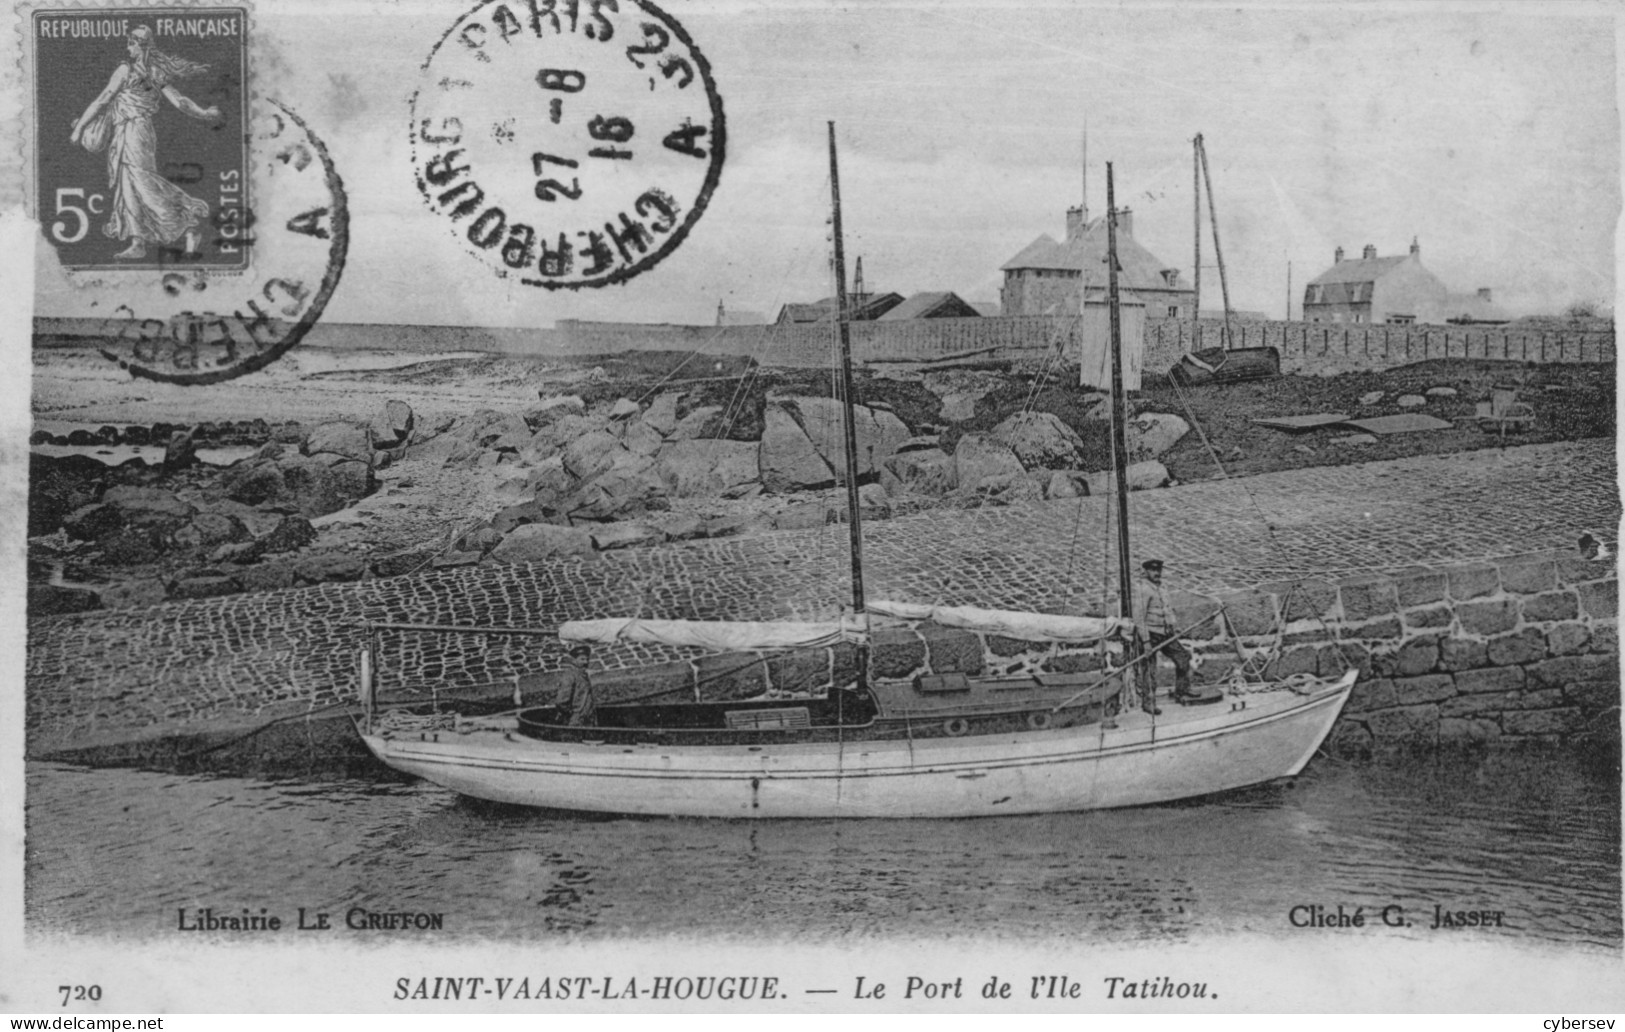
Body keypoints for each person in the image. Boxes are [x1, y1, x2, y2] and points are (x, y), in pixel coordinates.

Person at [69, 25, 220, 260]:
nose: (127, 47)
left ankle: (186, 216)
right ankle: (138, 241)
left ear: (139, 45)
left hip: (132, 131)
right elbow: (180, 101)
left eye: (130, 43)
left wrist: (79, 128)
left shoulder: (125, 70)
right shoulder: (155, 72)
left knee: (140, 181)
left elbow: (102, 100)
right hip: (138, 131)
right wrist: (203, 113)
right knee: (130, 184)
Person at [1131, 558, 1192, 712]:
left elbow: (1168, 609)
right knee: (1149, 670)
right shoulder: (1143, 589)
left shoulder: (1162, 587)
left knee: (1183, 658)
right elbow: (1139, 618)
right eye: (1153, 570)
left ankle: (1182, 691)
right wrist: (1145, 641)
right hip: (1150, 634)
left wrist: (1173, 627)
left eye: (1159, 570)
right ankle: (1148, 703)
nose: (1157, 573)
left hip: (1165, 633)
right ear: (1146, 572)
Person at [555, 643, 597, 727]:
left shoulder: (583, 675)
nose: (586, 662)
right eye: (582, 659)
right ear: (574, 660)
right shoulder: (570, 676)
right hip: (576, 721)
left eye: (587, 659)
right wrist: (573, 714)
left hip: (588, 718)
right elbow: (561, 701)